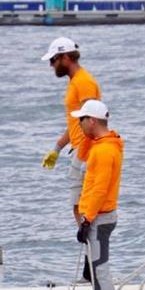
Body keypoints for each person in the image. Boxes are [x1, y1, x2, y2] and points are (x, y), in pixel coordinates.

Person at [40, 37, 102, 227]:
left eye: (53, 60)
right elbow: (77, 122)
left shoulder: (84, 82)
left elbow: (91, 121)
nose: (52, 65)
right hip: (79, 150)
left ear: (65, 57)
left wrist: (85, 156)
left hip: (85, 151)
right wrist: (57, 148)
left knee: (82, 208)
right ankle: (90, 251)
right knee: (78, 207)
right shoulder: (75, 82)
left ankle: (92, 252)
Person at [71, 100, 124, 290]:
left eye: (82, 120)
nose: (79, 124)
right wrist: (87, 134)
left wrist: (87, 221)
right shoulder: (100, 143)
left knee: (99, 268)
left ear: (92, 121)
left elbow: (100, 190)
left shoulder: (104, 151)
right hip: (97, 216)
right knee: (94, 268)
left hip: (99, 218)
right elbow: (83, 154)